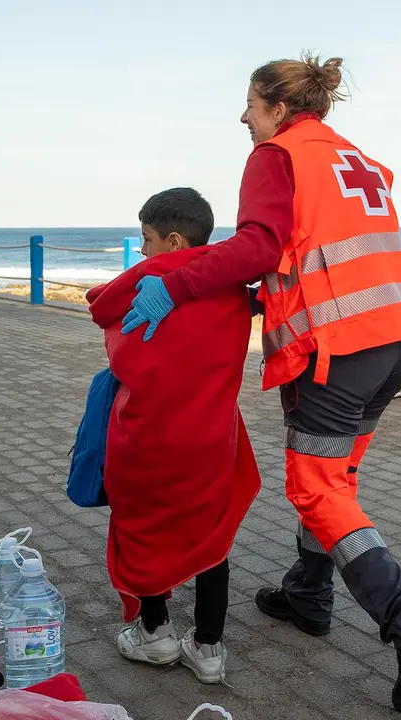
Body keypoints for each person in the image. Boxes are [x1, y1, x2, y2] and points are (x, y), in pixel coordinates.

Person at [118, 53, 401, 712]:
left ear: (278, 107)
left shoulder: (277, 155)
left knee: (313, 484)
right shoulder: (351, 157)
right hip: (397, 338)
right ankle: (307, 594)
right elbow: (316, 253)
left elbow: (260, 247)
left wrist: (178, 281)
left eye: (250, 102)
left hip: (340, 346)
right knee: (338, 480)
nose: (242, 115)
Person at [86, 188, 260, 683]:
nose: (141, 251)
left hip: (147, 437)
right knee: (212, 533)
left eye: (146, 239)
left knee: (144, 527)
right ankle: (208, 648)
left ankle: (154, 632)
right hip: (210, 438)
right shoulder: (231, 288)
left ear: (175, 240)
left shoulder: (148, 281)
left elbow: (110, 325)